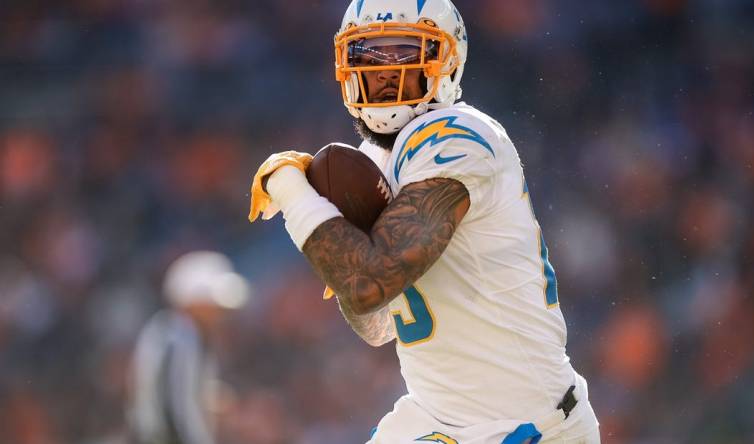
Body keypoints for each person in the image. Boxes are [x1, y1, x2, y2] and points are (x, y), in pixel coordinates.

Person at [248, 0, 600, 442]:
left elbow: (367, 285)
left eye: (400, 52)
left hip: (524, 421)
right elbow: (377, 323)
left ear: (445, 60)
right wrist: (345, 243)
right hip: (440, 416)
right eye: (366, 55)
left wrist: (293, 194)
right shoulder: (379, 158)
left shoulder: (457, 136)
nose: (381, 70)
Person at [127, 251, 248, 444]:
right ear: (192, 302)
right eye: (212, 306)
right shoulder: (177, 336)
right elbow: (176, 407)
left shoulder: (174, 333)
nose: (219, 314)